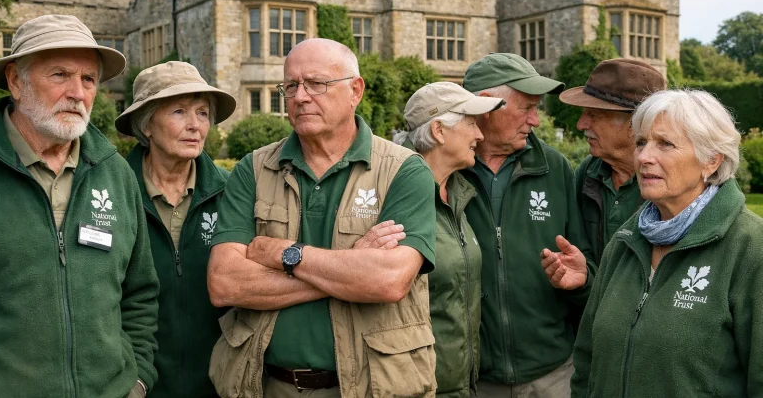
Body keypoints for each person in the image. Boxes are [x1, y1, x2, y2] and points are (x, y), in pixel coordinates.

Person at [206, 38, 438, 398]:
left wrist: (286, 255)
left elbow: (388, 281)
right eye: (291, 86)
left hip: (370, 388)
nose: (300, 97)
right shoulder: (253, 169)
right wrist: (351, 268)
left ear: (355, 90)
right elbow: (225, 283)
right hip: (268, 386)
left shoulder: (403, 170)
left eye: (316, 83)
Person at [0, 14, 159, 398]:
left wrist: (137, 382)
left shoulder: (115, 172)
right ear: (16, 81)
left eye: (88, 79)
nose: (78, 93)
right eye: (60, 75)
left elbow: (140, 294)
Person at [570, 89, 763, 397]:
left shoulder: (751, 247)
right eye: (641, 142)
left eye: (665, 144)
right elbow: (586, 361)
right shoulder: (625, 241)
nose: (644, 157)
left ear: (711, 161)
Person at [459, 53, 595, 398]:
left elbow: (584, 262)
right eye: (526, 108)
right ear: (485, 105)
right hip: (471, 378)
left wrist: (581, 279)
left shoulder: (554, 166)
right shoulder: (441, 167)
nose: (535, 120)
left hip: (552, 374)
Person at [115, 61, 236, 398]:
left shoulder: (231, 193)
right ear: (147, 125)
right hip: (136, 387)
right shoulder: (111, 195)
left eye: (202, 113)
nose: (195, 125)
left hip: (218, 386)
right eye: (179, 112)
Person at [395, 82, 505, 397]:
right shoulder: (394, 194)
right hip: (418, 387)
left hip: (461, 386)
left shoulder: (457, 192)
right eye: (471, 124)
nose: (480, 135)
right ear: (439, 131)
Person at [559, 58, 665, 264]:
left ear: (635, 124)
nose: (581, 124)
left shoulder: (670, 181)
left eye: (594, 114)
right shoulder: (589, 172)